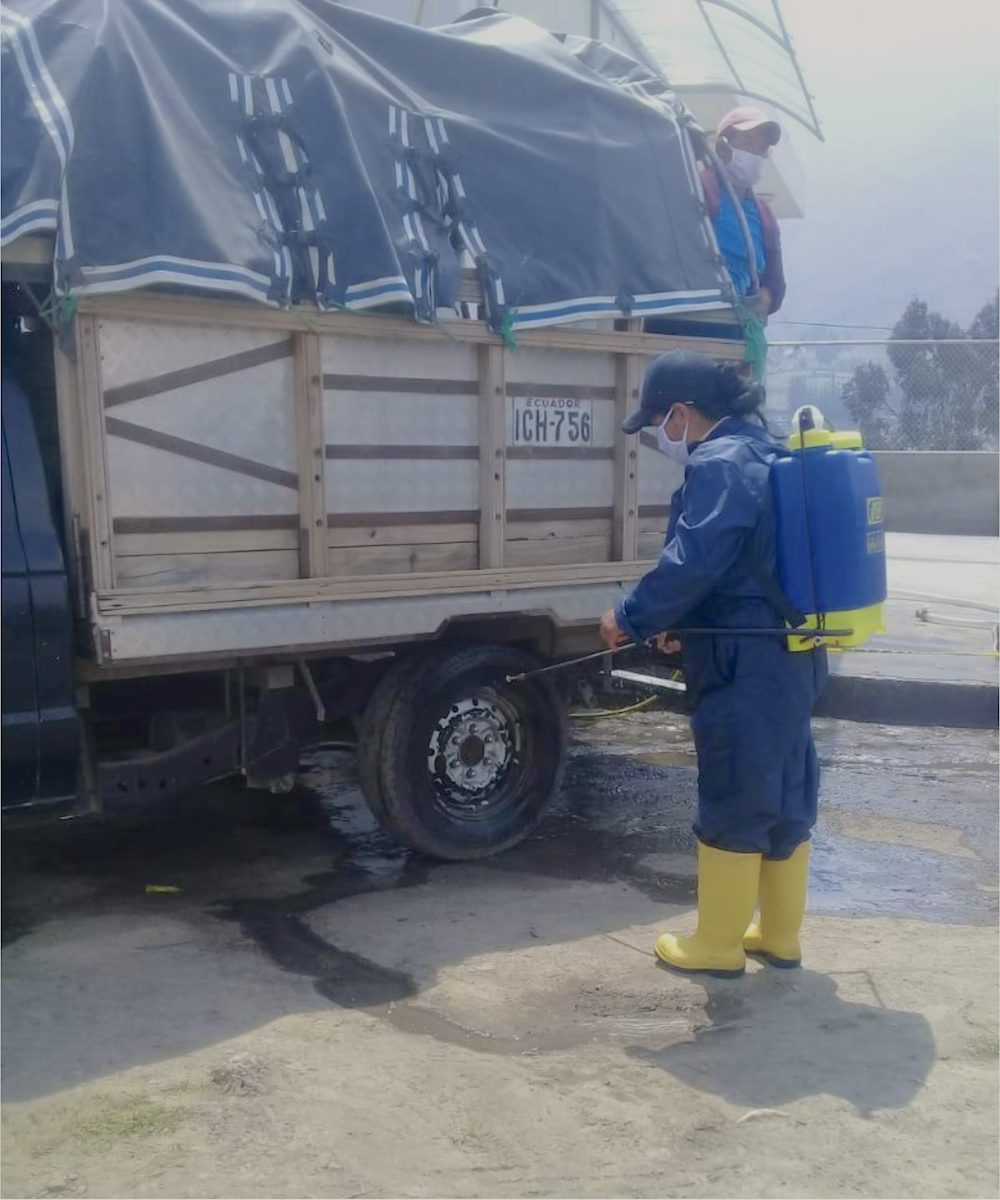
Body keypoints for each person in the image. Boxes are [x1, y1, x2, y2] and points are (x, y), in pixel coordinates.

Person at [598, 350, 827, 978]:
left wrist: (633, 615)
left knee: (734, 790)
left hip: (744, 663)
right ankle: (779, 937)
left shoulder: (721, 464)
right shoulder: (774, 454)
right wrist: (685, 627)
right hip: (795, 651)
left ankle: (718, 945)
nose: (661, 435)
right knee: (785, 791)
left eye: (660, 421)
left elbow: (694, 561)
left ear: (681, 412)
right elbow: (747, 565)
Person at [703, 106, 785, 317]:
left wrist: (763, 298)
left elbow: (775, 282)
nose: (755, 155)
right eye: (748, 144)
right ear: (722, 146)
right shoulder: (698, 190)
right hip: (691, 322)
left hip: (738, 331)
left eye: (762, 148)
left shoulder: (764, 215)